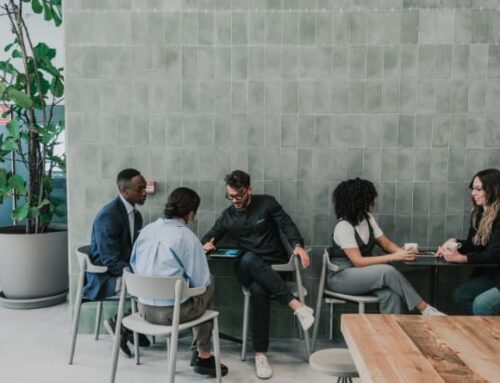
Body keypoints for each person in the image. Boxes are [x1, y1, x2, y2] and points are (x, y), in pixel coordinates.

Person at [201, 170, 314, 380]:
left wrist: (297, 246)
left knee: (259, 290)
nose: (235, 200)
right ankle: (297, 306)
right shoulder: (228, 216)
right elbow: (209, 236)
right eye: (231, 196)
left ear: (249, 189)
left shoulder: (267, 203)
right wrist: (206, 244)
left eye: (239, 195)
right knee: (249, 258)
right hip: (247, 268)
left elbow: (286, 224)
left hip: (275, 269)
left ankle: (260, 355)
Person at [130, 187, 228, 377]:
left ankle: (200, 351)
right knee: (209, 283)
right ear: (191, 213)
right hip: (171, 315)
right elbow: (201, 282)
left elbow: (134, 265)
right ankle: (203, 354)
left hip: (143, 310)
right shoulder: (187, 238)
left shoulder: (146, 230)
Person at [327, 178, 445, 316]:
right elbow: (358, 261)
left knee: (391, 295)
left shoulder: (368, 219)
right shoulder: (344, 226)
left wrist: (403, 253)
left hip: (362, 276)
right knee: (386, 271)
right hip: (341, 278)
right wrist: (394, 257)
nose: (374, 202)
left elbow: (386, 244)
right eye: (371, 198)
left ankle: (392, 335)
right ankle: (425, 309)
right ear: (359, 201)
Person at [84, 168, 149, 356]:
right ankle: (123, 323)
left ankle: (132, 326)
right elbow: (110, 260)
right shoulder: (108, 216)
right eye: (140, 189)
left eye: (144, 188)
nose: (144, 192)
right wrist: (137, 274)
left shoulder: (136, 215)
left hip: (119, 270)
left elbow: (133, 251)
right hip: (104, 276)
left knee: (155, 280)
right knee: (147, 286)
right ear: (124, 190)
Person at [437, 168, 500, 315]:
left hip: (496, 274)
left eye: (478, 189)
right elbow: (474, 244)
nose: (473, 193)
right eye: (473, 189)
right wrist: (454, 244)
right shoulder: (479, 213)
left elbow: (495, 254)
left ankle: (485, 336)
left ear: (493, 189)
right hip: (492, 274)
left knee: (482, 304)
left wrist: (462, 258)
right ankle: (478, 333)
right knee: (461, 294)